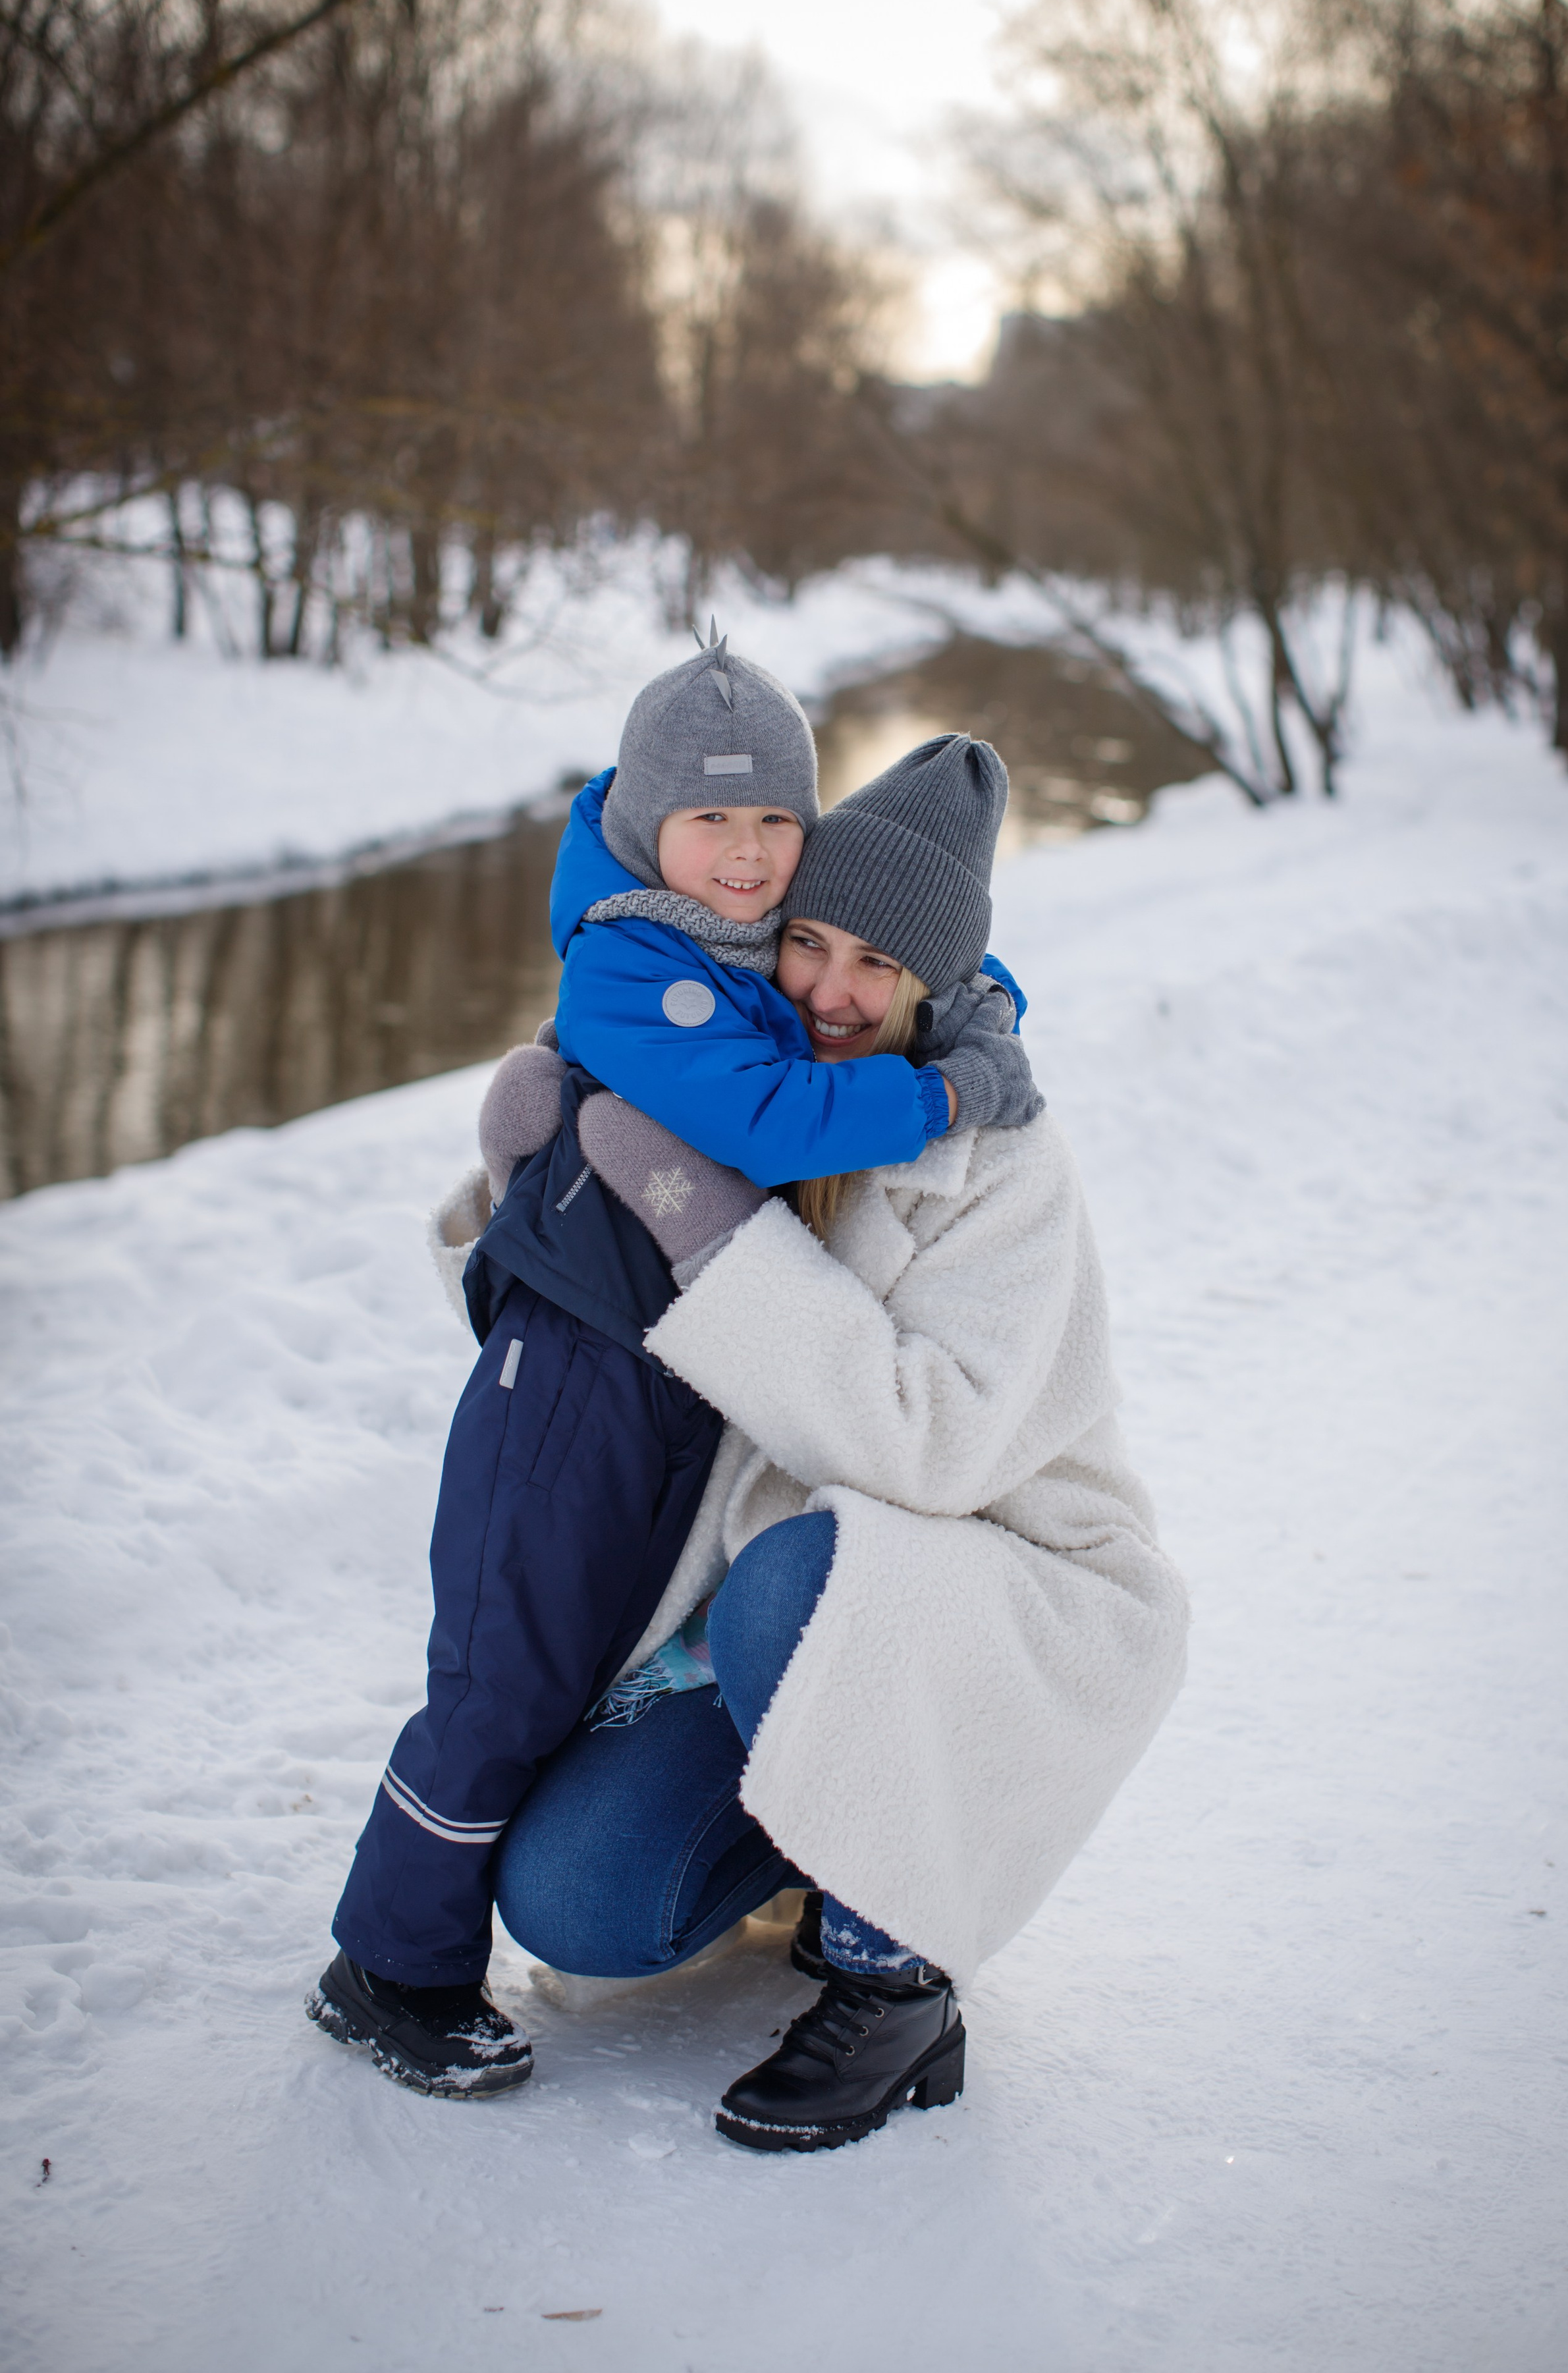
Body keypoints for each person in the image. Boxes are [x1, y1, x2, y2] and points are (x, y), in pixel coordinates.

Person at [309, 645, 1041, 2099]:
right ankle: (390, 1964)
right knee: (506, 1677)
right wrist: (947, 1087)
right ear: (647, 826)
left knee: (579, 1662)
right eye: (715, 824)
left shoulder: (758, 943)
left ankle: (804, 1857)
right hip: (572, 1382)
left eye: (776, 823)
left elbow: (909, 946)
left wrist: (983, 1006)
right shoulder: (634, 961)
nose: (752, 856)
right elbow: (766, 1126)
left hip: (667, 1394)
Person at [490, 736, 1191, 2152]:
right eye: (805, 940)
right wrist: (530, 1187)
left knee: (799, 1584)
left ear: (933, 983)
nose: (828, 991)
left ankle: (896, 1981)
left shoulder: (991, 1159)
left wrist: (719, 1240)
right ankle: (826, 1836)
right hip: (788, 1597)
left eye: (876, 965)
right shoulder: (750, 1090)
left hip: (1004, 1585)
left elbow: (926, 1453)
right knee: (575, 1906)